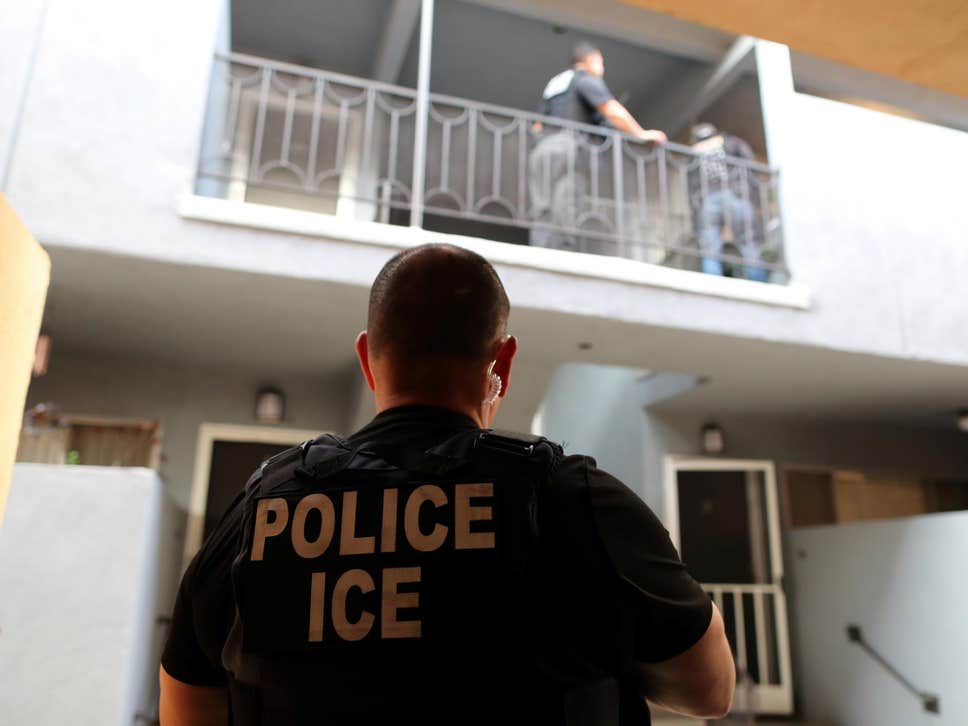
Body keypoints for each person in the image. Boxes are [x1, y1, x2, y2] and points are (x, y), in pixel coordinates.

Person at [159, 243, 735, 725]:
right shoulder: (578, 502)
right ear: (502, 363)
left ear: (368, 357)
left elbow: (185, 708)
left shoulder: (260, 511)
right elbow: (710, 690)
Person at [529, 42, 667, 251]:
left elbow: (537, 125)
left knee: (543, 208)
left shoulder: (555, 83)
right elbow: (611, 109)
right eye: (601, 62)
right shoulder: (585, 79)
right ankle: (561, 257)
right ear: (591, 59)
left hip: (543, 150)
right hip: (569, 146)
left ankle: (540, 252)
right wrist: (641, 134)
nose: (602, 67)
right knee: (566, 204)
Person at [690, 122, 768, 282]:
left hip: (708, 197)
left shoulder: (695, 151)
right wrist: (756, 199)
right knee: (748, 241)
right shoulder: (731, 142)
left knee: (710, 246)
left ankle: (713, 285)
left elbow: (690, 184)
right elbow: (750, 167)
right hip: (736, 193)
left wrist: (695, 206)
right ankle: (760, 284)